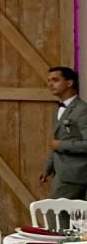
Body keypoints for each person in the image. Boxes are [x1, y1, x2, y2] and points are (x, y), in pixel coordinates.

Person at [40, 66, 87, 199]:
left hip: (76, 173)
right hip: (61, 172)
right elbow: (56, 140)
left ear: (69, 83)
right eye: (49, 81)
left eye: (55, 80)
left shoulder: (82, 110)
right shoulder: (58, 109)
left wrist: (62, 145)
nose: (50, 84)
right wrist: (48, 167)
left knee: (54, 213)